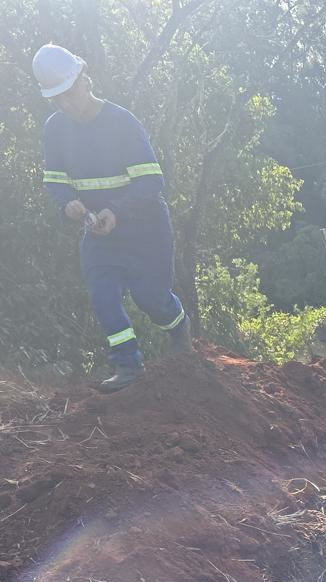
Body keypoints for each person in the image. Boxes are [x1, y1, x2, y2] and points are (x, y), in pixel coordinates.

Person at [34, 44, 192, 392]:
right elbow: (55, 184)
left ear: (85, 80)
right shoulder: (54, 130)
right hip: (99, 233)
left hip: (146, 228)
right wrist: (67, 205)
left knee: (151, 298)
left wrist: (117, 212)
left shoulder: (122, 123)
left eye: (68, 93)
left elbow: (153, 181)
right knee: (102, 293)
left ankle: (178, 327)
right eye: (56, 98)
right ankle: (127, 365)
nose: (65, 104)